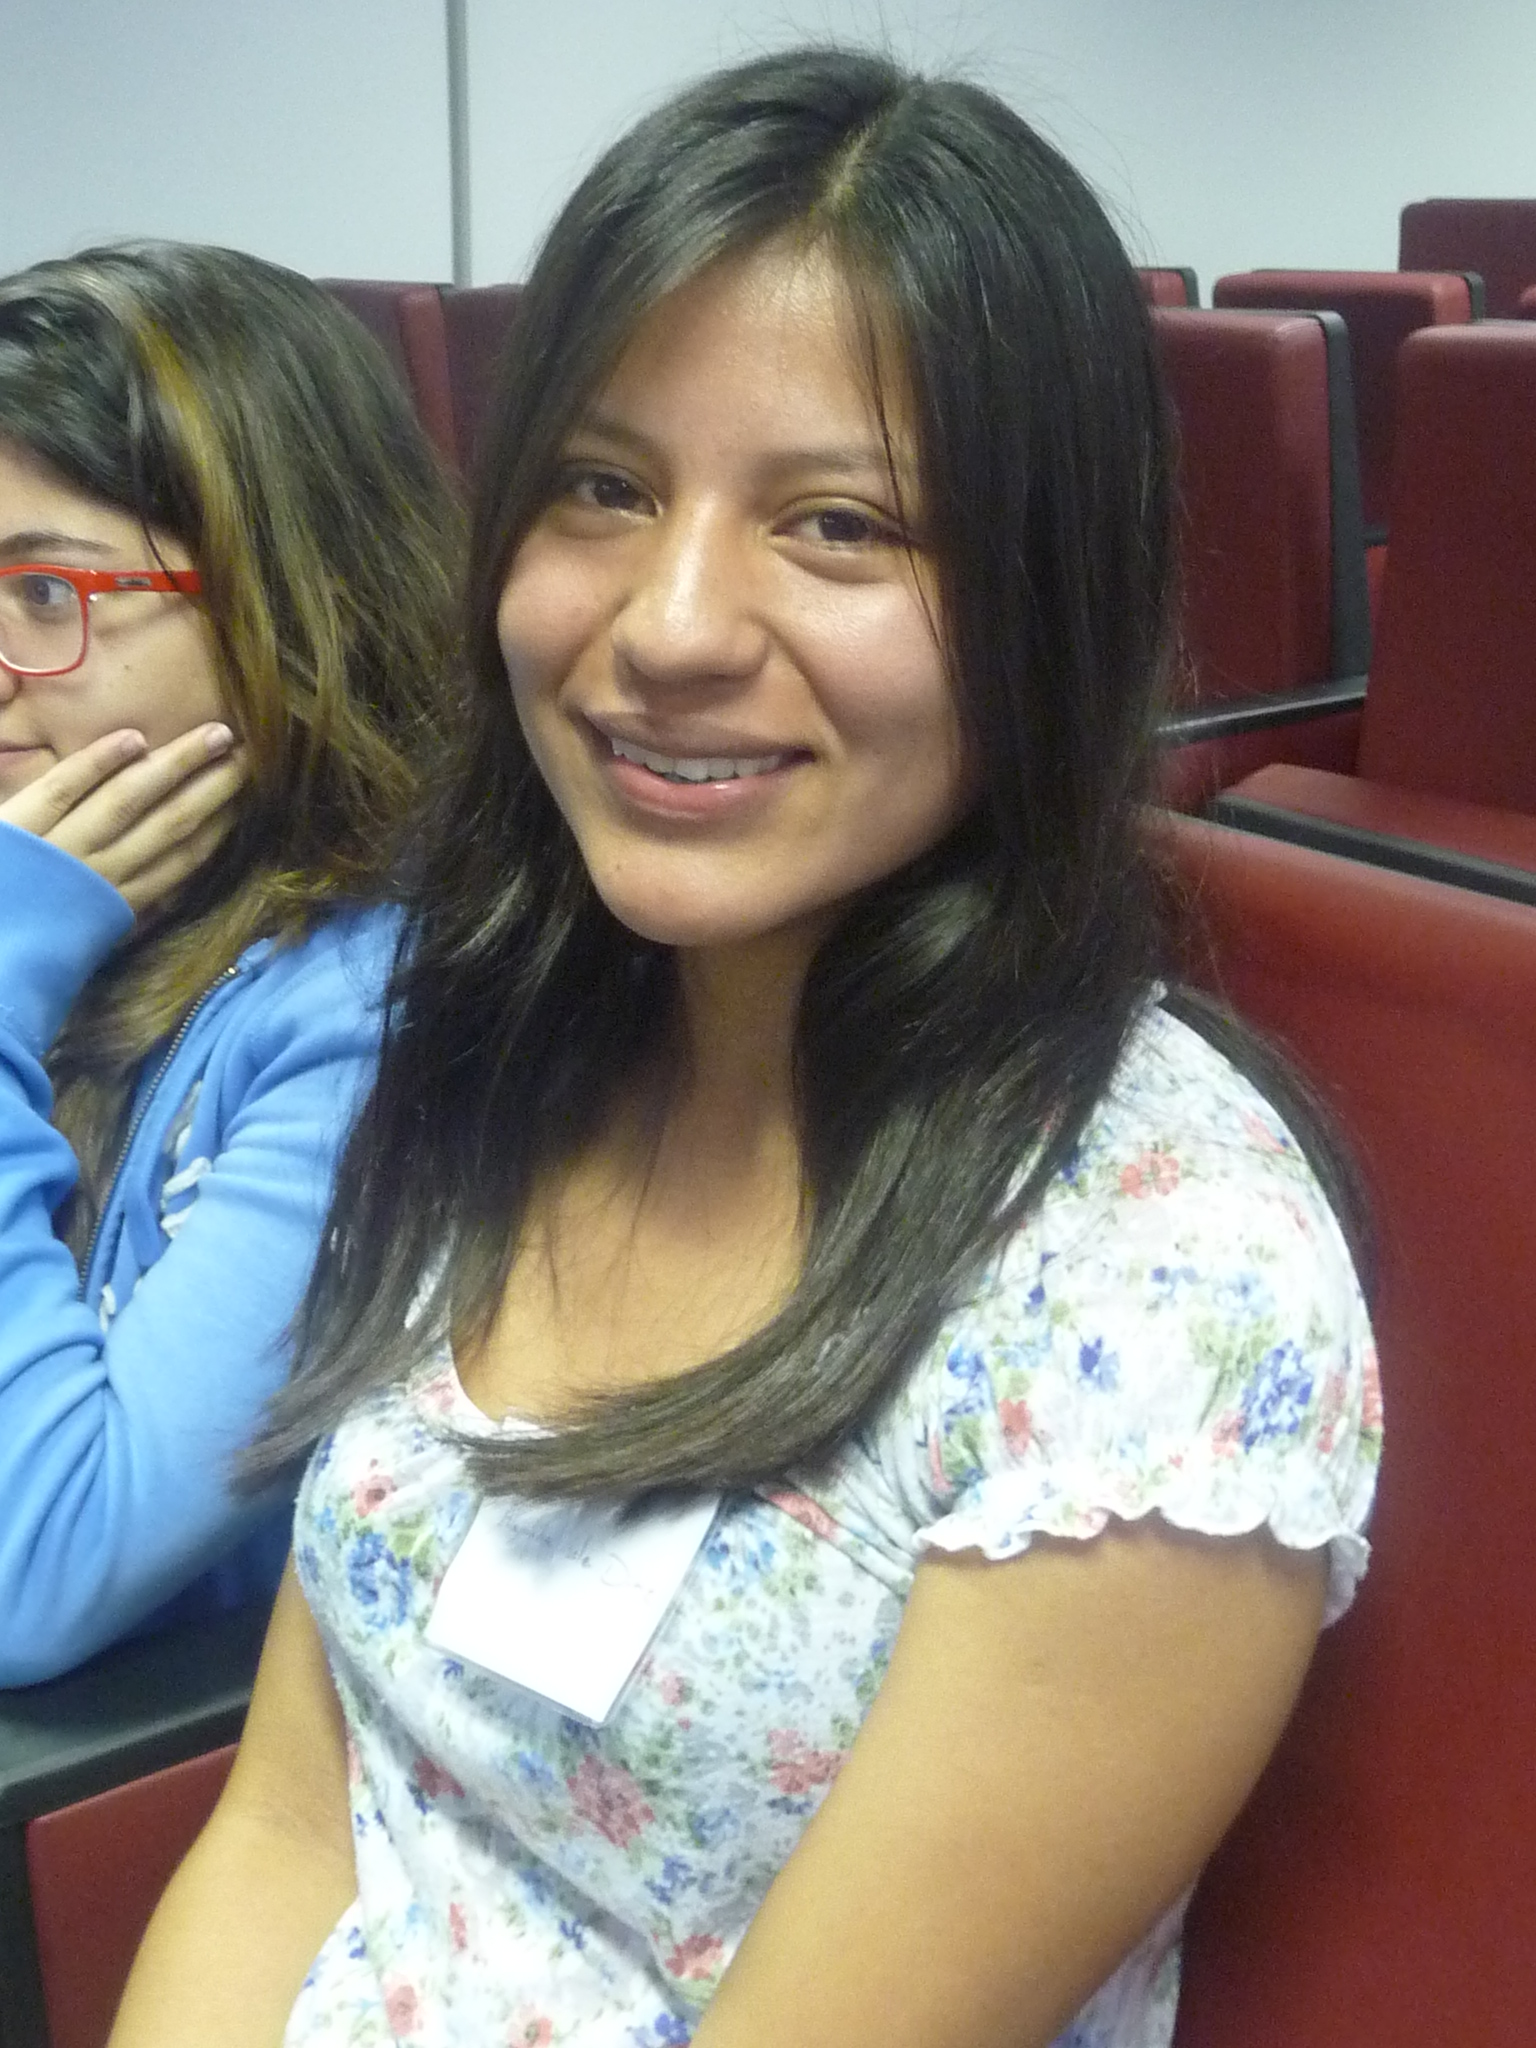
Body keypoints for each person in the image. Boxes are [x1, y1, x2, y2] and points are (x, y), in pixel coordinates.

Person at [112, 49, 1380, 2048]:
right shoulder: (513, 1037)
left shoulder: (1160, 1291)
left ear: (1045, 598)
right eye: (604, 488)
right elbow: (289, 1825)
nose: (672, 624)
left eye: (842, 522)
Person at [0, 243, 461, 1686]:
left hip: (133, 1772)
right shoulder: (69, 903)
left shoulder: (372, 1015)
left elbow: (40, 1562)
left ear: (286, 601)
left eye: (44, 595)